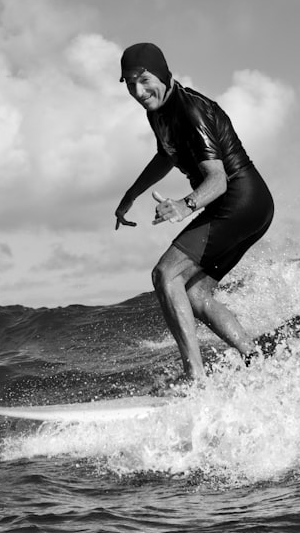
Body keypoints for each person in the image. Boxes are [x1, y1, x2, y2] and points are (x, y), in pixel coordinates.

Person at [113, 42, 274, 379]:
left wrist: (183, 206)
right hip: (251, 206)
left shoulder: (190, 110)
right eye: (129, 83)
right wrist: (131, 194)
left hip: (239, 199)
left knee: (165, 274)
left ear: (162, 72)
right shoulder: (158, 112)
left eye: (143, 79)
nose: (139, 92)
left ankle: (195, 378)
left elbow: (218, 180)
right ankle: (257, 362)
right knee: (196, 295)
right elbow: (167, 156)